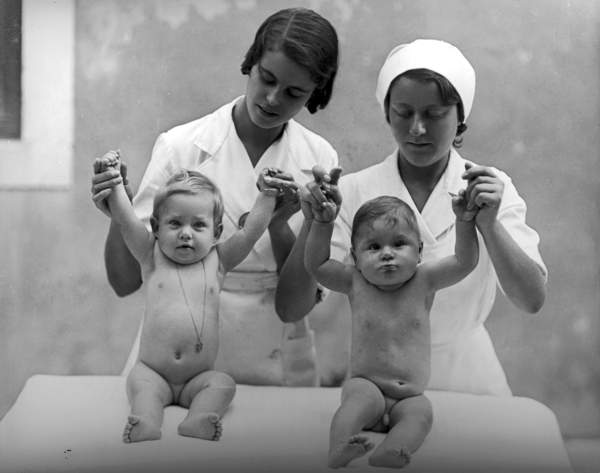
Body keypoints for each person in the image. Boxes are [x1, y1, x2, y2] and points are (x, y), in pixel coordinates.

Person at [90, 8, 341, 387]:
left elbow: (294, 305)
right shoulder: (182, 147)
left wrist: (278, 225)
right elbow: (125, 282)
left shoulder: (319, 160)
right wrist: (117, 207)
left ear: (315, 93)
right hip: (174, 352)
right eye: (266, 78)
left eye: (294, 92)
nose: (272, 99)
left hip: (275, 352)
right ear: (250, 63)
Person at [283, 38, 548, 397]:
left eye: (435, 115)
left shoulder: (491, 189)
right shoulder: (354, 191)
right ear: (387, 113)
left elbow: (531, 300)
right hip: (377, 380)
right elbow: (295, 305)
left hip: (468, 379)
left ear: (460, 120)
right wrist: (315, 221)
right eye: (404, 113)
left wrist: (490, 224)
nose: (417, 129)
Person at [97, 151, 289, 443]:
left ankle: (198, 418)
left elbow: (250, 232)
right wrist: (116, 186)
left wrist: (267, 194)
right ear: (157, 228)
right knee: (141, 387)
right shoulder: (151, 256)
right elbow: (126, 221)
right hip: (153, 371)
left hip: (198, 377)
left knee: (222, 385)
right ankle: (146, 421)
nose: (186, 234)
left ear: (217, 232)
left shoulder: (219, 261)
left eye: (198, 225)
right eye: (175, 224)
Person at [303, 189, 478, 468]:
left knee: (422, 415)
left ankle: (393, 449)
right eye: (373, 247)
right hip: (366, 385)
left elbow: (465, 262)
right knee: (354, 406)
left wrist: (465, 221)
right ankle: (338, 448)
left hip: (409, 395)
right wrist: (322, 224)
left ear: (419, 251)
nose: (387, 254)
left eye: (399, 244)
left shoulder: (426, 280)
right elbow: (316, 265)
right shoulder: (354, 282)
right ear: (355, 257)